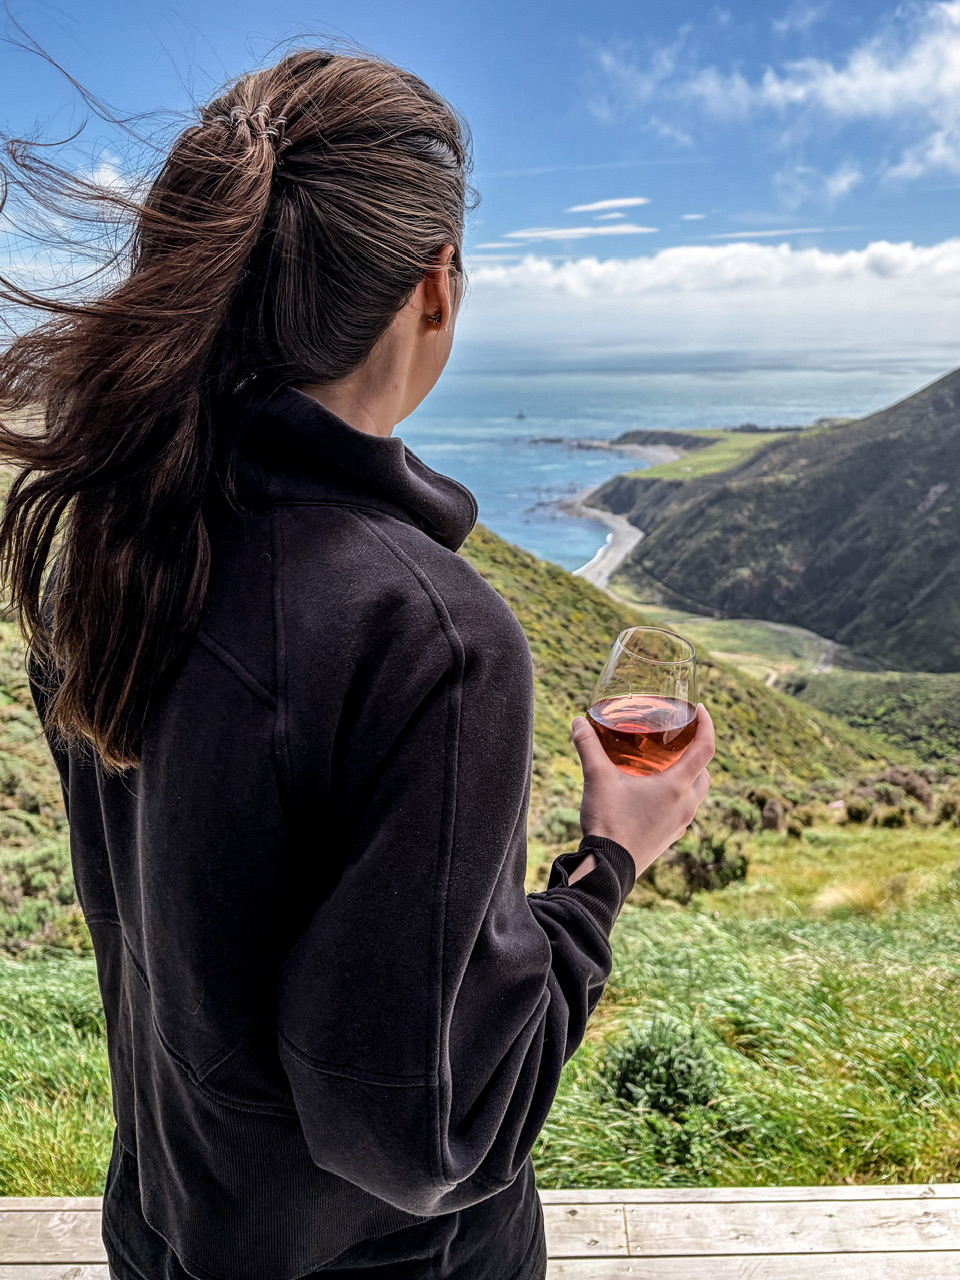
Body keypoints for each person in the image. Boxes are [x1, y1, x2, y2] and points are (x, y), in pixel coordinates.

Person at [0, 48, 715, 1280]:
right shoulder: (430, 636)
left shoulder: (117, 546)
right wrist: (608, 864)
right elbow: (428, 1127)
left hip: (167, 1232)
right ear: (436, 286)